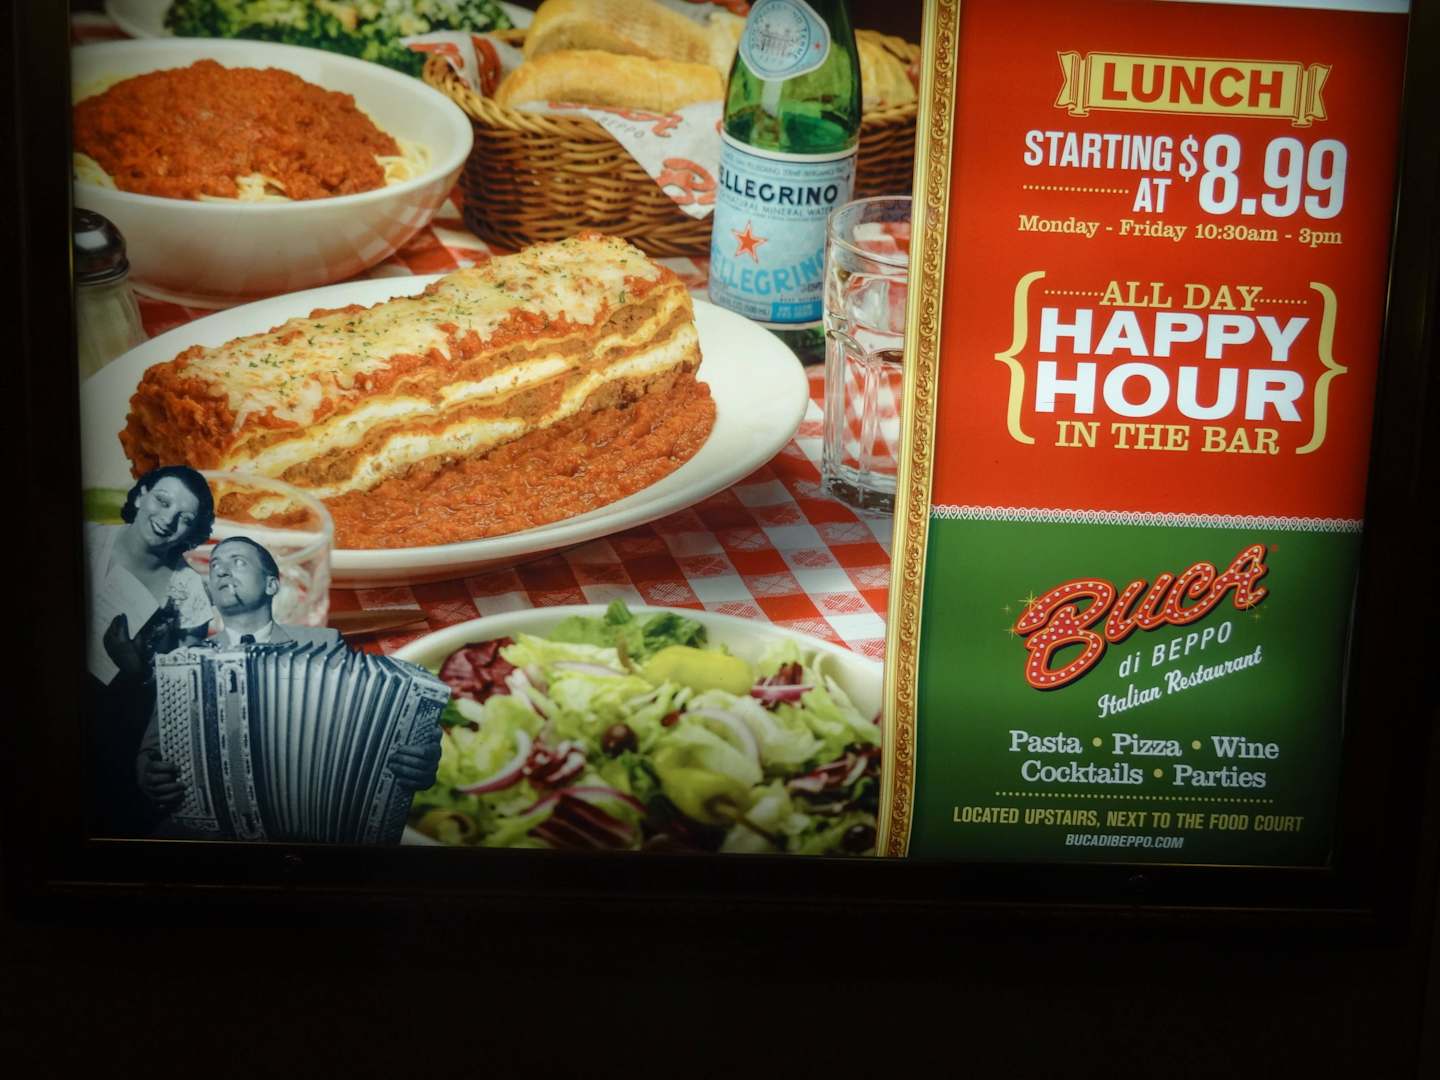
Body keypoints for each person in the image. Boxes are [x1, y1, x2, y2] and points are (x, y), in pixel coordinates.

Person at [136, 535, 442, 838]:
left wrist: (422, 754)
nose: (222, 571)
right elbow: (151, 751)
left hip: (319, 827)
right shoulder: (185, 662)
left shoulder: (323, 643)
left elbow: (377, 712)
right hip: (211, 836)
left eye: (237, 562)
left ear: (271, 585)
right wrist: (149, 776)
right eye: (215, 566)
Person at [85, 465, 217, 835]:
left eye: (184, 518)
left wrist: (137, 672)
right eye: (162, 500)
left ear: (192, 530)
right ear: (142, 495)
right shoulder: (87, 542)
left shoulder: (189, 591)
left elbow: (183, 694)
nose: (168, 519)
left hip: (123, 734)